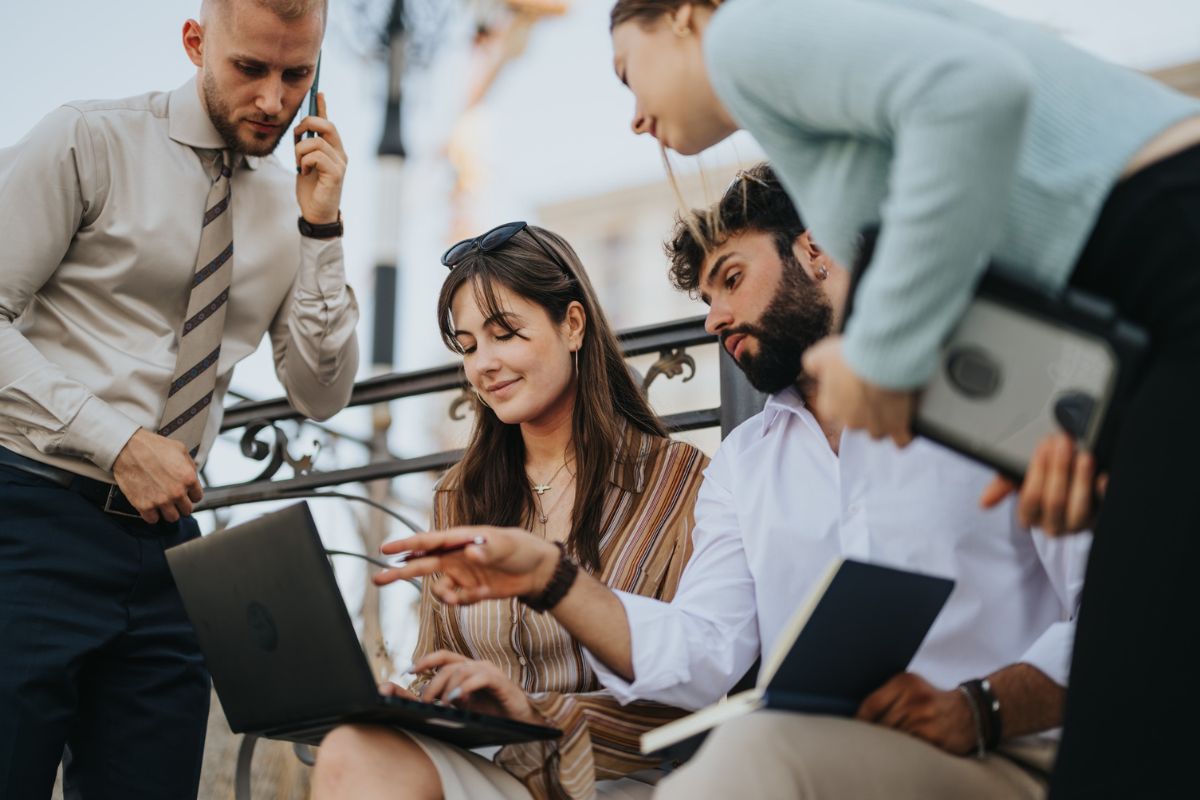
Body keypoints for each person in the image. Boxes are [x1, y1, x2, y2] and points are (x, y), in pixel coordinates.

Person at [606, 1, 1200, 794]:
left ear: (681, 18)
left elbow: (975, 87)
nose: (636, 117)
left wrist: (877, 355)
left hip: (1173, 241)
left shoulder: (744, 32)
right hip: (1140, 313)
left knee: (1128, 722)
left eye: (626, 73)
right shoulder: (835, 151)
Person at [380, 165, 1093, 798]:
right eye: (705, 296)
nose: (715, 317)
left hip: (1013, 753)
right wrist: (552, 578)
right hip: (826, 759)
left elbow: (1116, 605)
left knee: (750, 757)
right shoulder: (747, 461)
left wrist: (981, 708)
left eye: (731, 279)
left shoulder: (998, 400)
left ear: (814, 251)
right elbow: (703, 649)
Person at [0, 0, 359, 796]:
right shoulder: (87, 140)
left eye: (297, 74)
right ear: (196, 43)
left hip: (169, 558)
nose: (273, 100)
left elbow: (321, 391)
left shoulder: (291, 199)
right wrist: (116, 443)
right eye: (249, 69)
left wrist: (323, 230)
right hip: (26, 516)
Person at [310, 222, 709, 800]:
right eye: (468, 347)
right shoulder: (459, 496)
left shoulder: (677, 480)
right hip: (494, 768)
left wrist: (534, 711)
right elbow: (434, 662)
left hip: (619, 776)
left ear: (572, 324)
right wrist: (423, 700)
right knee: (352, 749)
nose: (484, 366)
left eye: (505, 334)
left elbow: (691, 687)